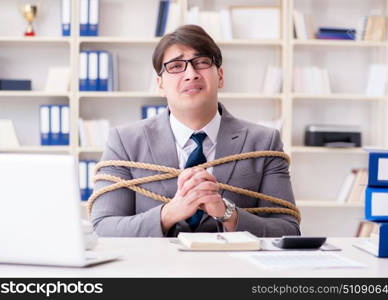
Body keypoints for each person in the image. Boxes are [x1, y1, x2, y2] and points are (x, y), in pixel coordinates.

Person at [90, 25, 300, 237]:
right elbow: (104, 228)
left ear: (220, 76)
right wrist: (169, 213)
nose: (191, 74)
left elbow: (288, 230)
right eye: (176, 66)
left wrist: (228, 213)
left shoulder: (264, 142)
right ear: (160, 84)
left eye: (201, 63)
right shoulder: (124, 142)